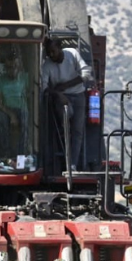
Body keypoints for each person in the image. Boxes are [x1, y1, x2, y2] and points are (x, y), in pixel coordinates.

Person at [41, 38, 93, 170]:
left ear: (60, 47)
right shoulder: (47, 65)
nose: (52, 55)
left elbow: (86, 73)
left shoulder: (72, 54)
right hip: (60, 99)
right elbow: (44, 87)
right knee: (66, 122)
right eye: (49, 53)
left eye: (53, 51)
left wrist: (65, 86)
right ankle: (64, 159)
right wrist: (59, 94)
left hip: (78, 95)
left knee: (77, 131)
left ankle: (73, 164)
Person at [0, 52, 29, 157]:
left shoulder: (26, 78)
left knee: (27, 117)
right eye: (9, 67)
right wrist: (12, 115)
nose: (12, 70)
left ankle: (22, 154)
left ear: (20, 66)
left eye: (15, 67)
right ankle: (5, 154)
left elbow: (31, 96)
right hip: (6, 110)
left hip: (22, 109)